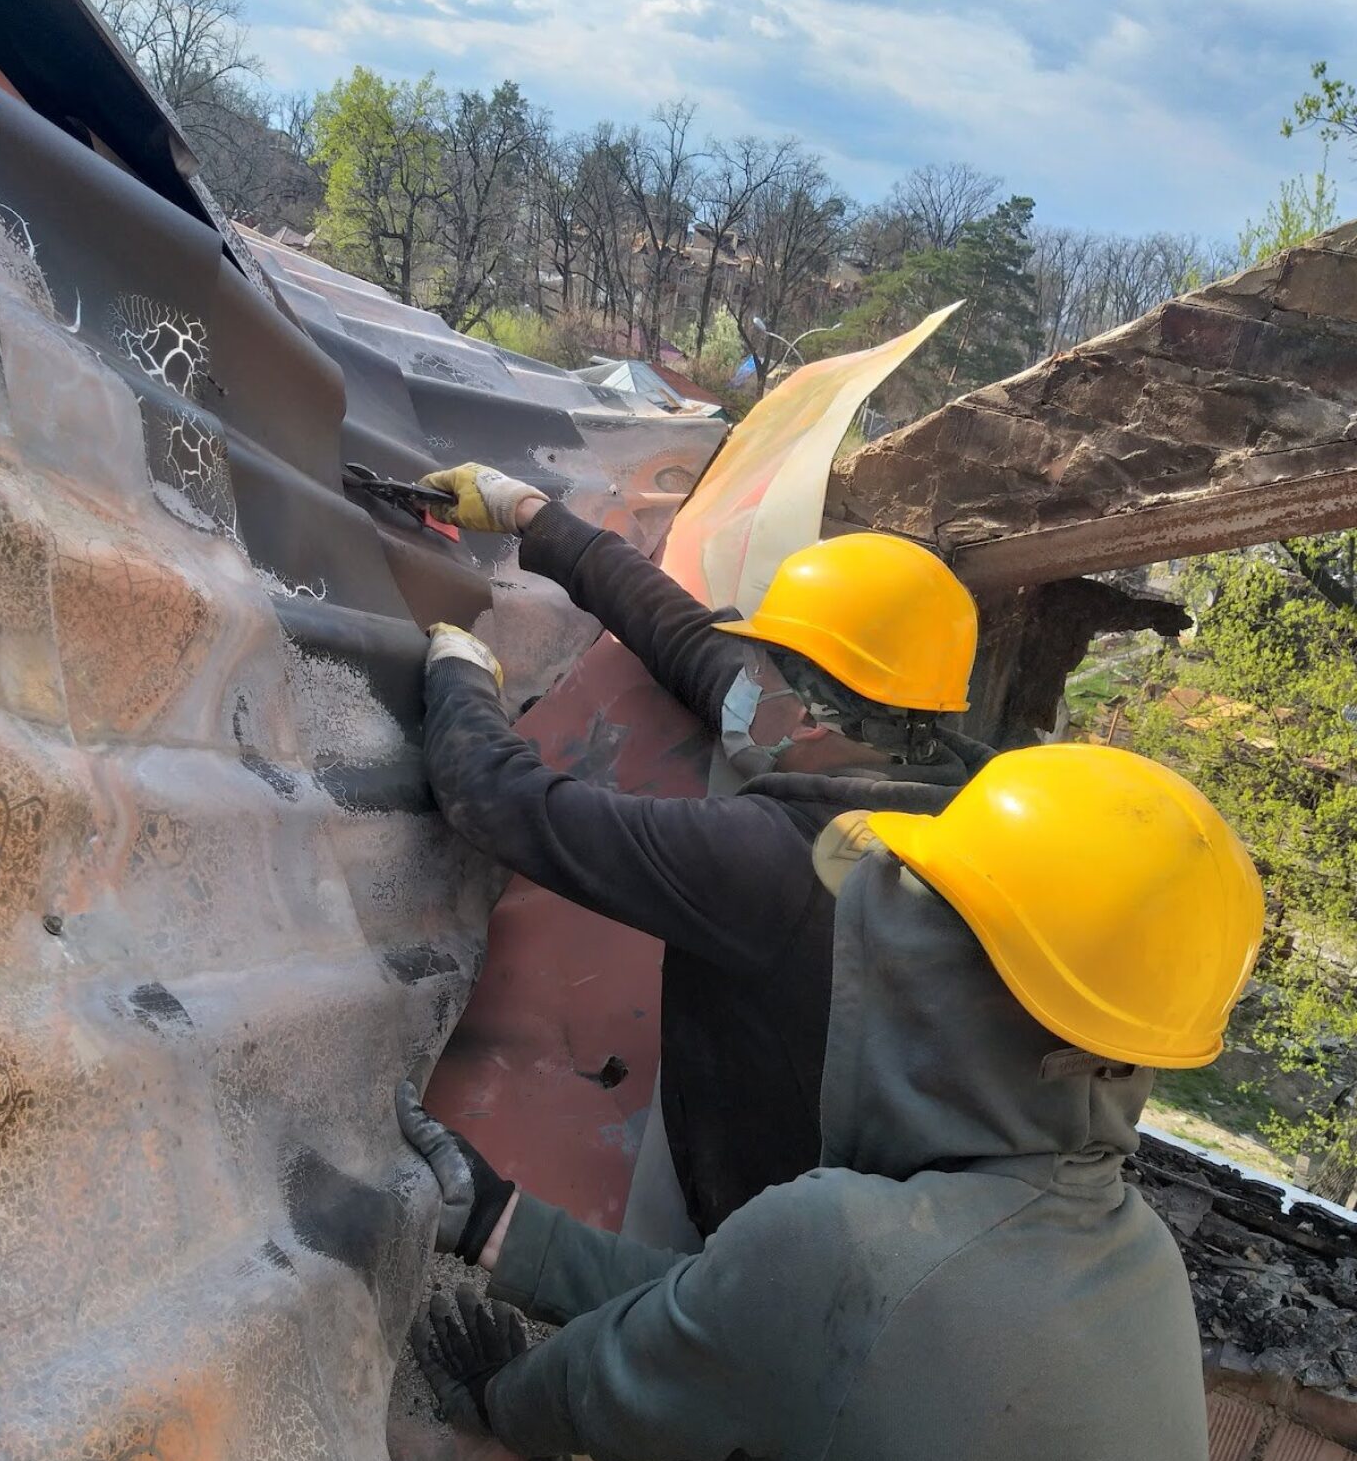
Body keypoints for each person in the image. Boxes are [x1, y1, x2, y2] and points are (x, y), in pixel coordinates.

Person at [401, 742, 1265, 1461]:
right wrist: (500, 1223)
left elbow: (622, 1381)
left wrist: (498, 1394)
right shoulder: (1139, 1259)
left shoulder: (849, 1252)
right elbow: (750, 1321)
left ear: (944, 988)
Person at [416, 460, 989, 1240]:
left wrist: (459, 678)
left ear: (811, 716)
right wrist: (531, 514)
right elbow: (689, 642)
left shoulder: (779, 862)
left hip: (789, 1241)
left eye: (758, 663)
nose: (739, 676)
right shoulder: (951, 785)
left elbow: (502, 801)